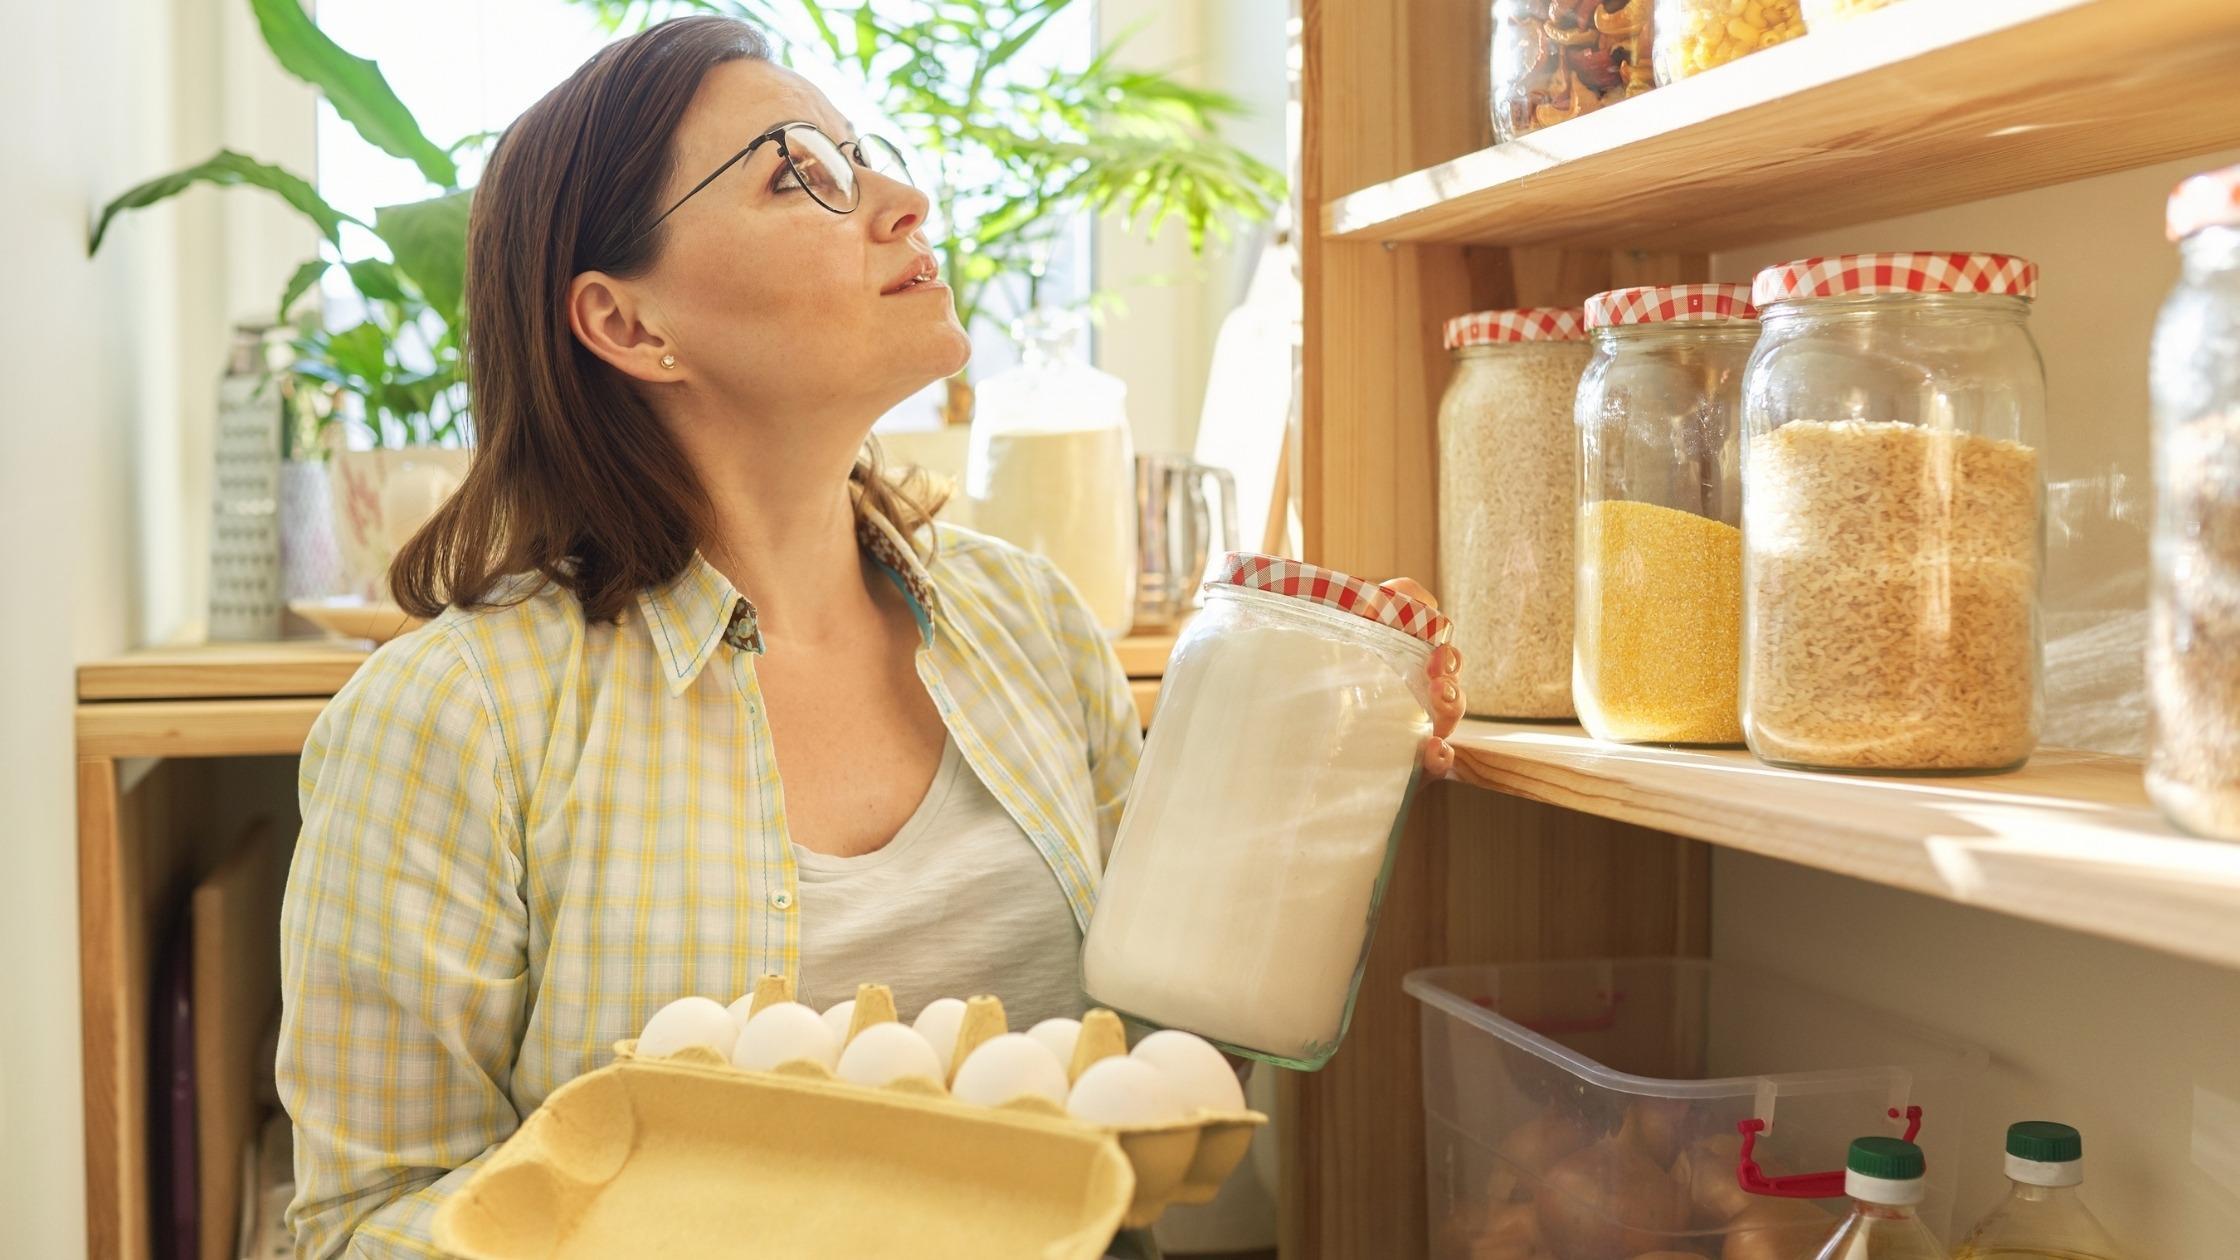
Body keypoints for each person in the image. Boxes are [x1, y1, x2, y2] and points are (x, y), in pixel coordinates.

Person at [276, 14, 1466, 1257]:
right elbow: (358, 1225)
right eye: (801, 173)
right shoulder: (453, 717)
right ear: (629, 326)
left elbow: (1169, 1059)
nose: (901, 202)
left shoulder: (1030, 625)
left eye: (868, 155)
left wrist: (1321, 746)